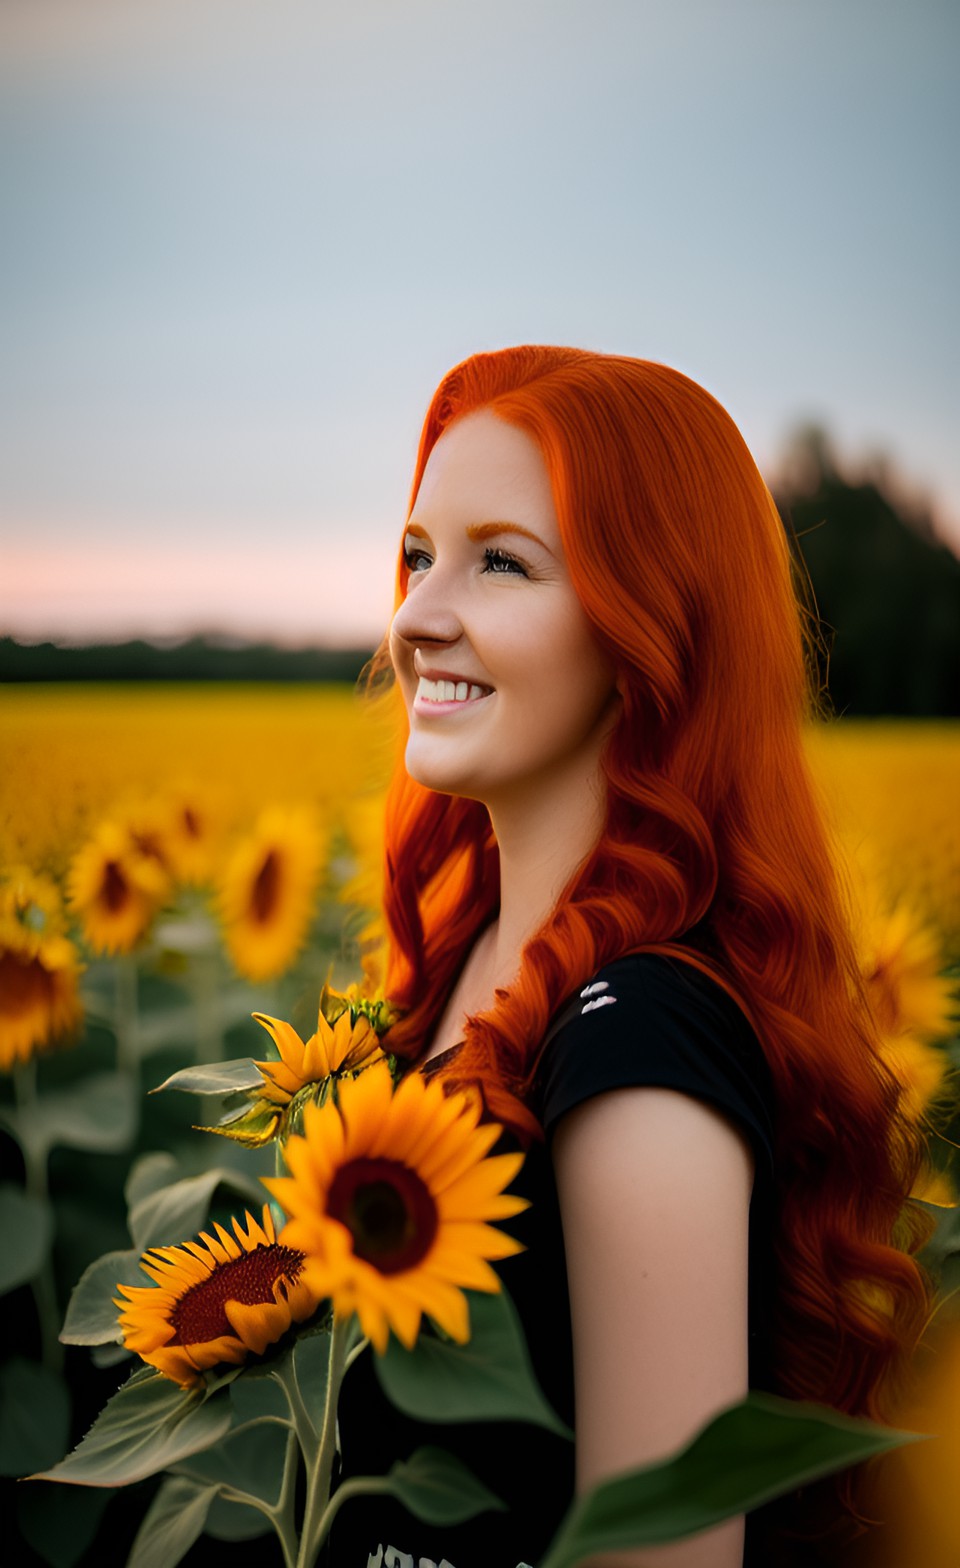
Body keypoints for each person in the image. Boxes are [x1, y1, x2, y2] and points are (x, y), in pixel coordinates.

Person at [326, 346, 930, 1568]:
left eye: (501, 560)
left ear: (651, 618)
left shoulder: (639, 1043)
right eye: (416, 553)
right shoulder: (471, 952)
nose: (418, 614)